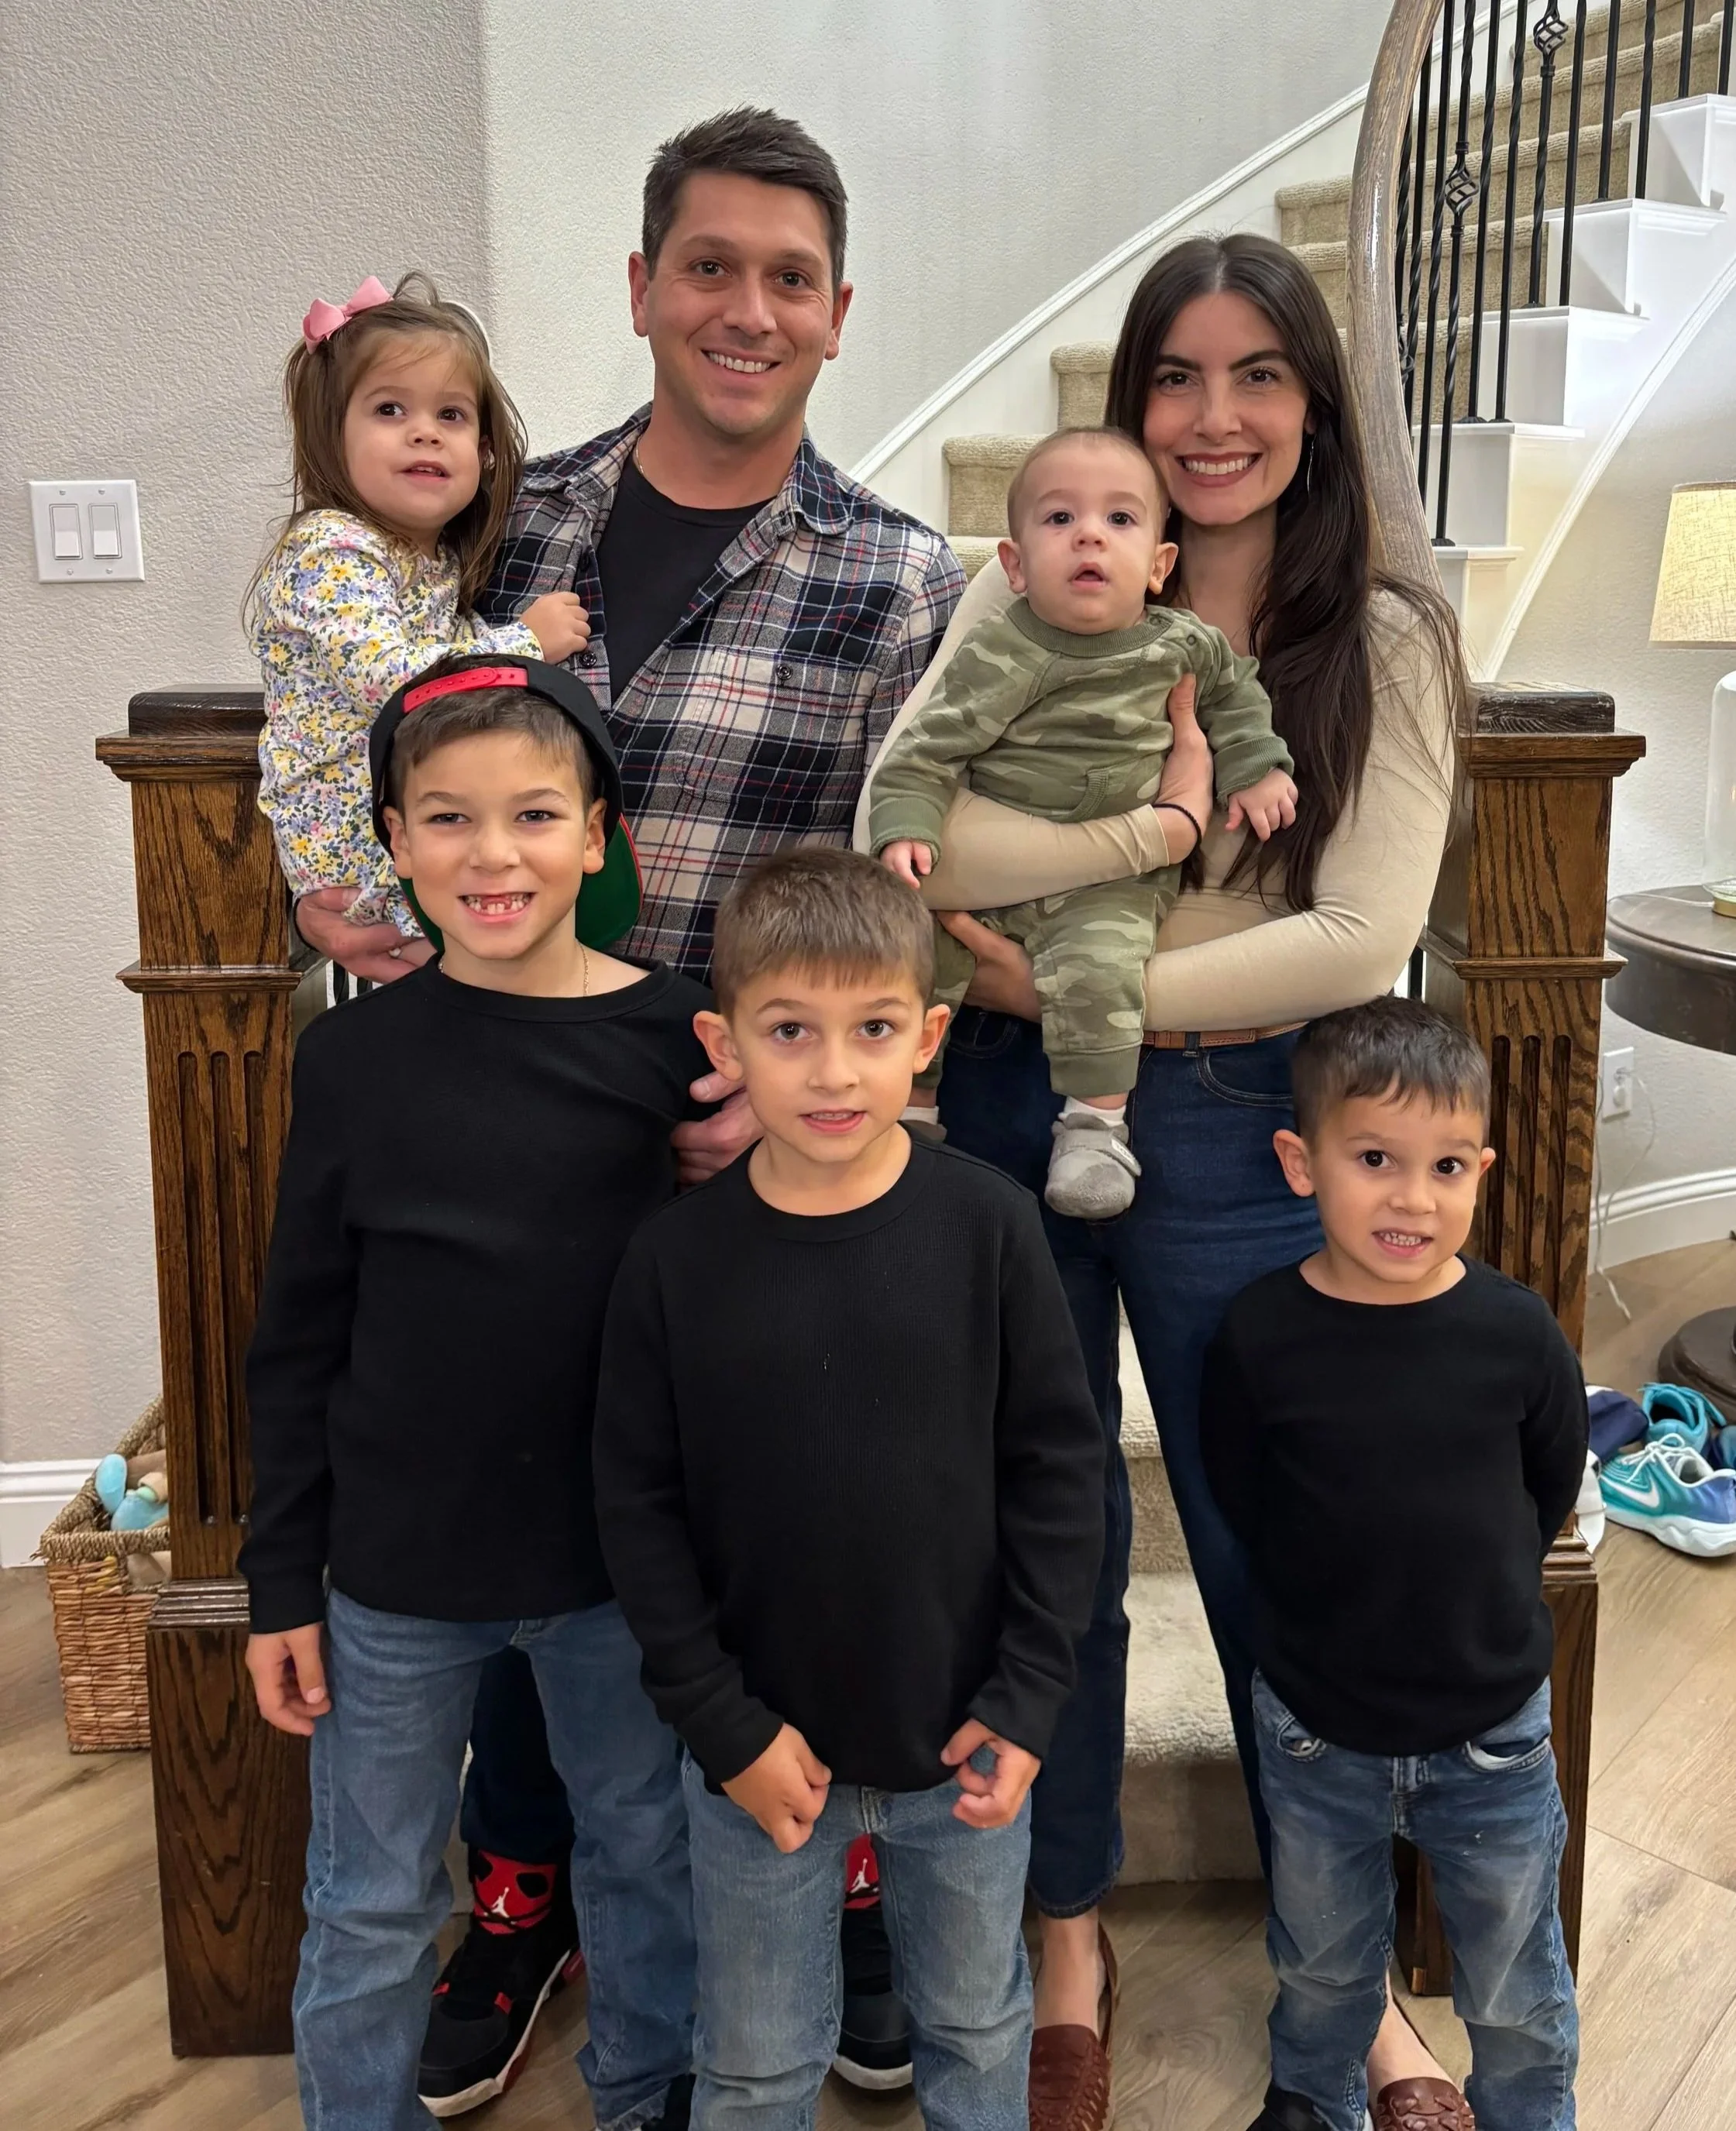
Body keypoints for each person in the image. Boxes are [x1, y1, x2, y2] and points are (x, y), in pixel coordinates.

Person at [288, 110, 972, 2104]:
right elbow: (353, 737)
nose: (743, 310)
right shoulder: (498, 524)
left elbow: (899, 889)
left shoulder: (900, 583)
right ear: (643, 286)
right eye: (708, 266)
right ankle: (524, 1898)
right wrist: (323, 881)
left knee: (706, 1539)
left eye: (786, 277)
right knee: (487, 1501)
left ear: (837, 316)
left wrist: (798, 1117)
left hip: (732, 1154)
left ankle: (815, 1864)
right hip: (480, 1131)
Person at [858, 230, 1471, 2131]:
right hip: (1014, 1114)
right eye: (1175, 379)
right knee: (1043, 1547)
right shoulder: (1017, 586)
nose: (1212, 420)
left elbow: (1360, 934)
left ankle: (1350, 1992)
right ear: (1127, 409)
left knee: (1264, 1545)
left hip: (1242, 1132)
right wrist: (1094, 896)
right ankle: (1067, 1938)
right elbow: (922, 819)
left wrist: (1081, 969)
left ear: (1315, 405)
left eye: (1257, 377)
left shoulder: (1375, 639)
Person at [239, 655, 704, 2131]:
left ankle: (649, 2101)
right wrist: (276, 1583)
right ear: (391, 835)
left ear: (596, 832)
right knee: (372, 1905)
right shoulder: (353, 1059)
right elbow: (300, 1333)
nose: (490, 855)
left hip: (621, 1569)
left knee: (643, 1861)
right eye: (445, 818)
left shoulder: (687, 1042)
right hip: (394, 1575)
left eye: (531, 815)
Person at [593, 847, 1106, 2131]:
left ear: (928, 1035)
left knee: (979, 2029)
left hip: (966, 1749)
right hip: (759, 1757)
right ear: (724, 1040)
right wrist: (720, 1723)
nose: (831, 1071)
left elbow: (1061, 1477)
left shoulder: (989, 1231)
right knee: (758, 2062)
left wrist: (1030, 1698)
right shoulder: (671, 1259)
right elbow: (636, 1506)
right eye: (789, 1031)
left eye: (872, 1028)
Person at [1201, 997, 1586, 2131]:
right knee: (1321, 1966)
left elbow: (1547, 1482)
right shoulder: (1258, 1332)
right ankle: (1315, 2100)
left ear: (1482, 1168)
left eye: (1444, 1164)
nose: (1412, 1197)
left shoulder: (1517, 1332)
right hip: (1318, 1727)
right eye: (1374, 1158)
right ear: (1298, 1160)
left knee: (1516, 1985)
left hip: (1492, 1732)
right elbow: (1241, 1489)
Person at [868, 425, 1295, 1218]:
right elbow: (925, 752)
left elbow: (1238, 700)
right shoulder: (1000, 650)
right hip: (993, 874)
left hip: (1113, 886)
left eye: (1121, 521)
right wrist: (907, 827)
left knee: (1105, 973)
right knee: (912, 957)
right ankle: (911, 1108)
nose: (1091, 534)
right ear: (1016, 565)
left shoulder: (1183, 645)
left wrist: (1258, 767)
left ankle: (1095, 1131)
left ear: (1161, 566)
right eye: (1061, 520)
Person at [250, 271, 590, 943]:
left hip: (404, 817)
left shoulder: (430, 562)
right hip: (353, 838)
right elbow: (394, 678)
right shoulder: (330, 548)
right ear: (331, 434)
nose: (424, 434)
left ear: (485, 452)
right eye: (389, 410)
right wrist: (523, 642)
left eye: (451, 415)